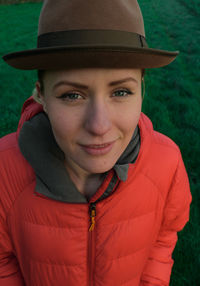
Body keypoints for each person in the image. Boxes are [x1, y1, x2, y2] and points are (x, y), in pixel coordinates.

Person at [0, 0, 192, 285]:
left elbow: (164, 236)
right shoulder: (4, 171)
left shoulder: (168, 164)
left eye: (122, 92)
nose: (99, 126)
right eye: (72, 96)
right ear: (41, 95)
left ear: (143, 89)